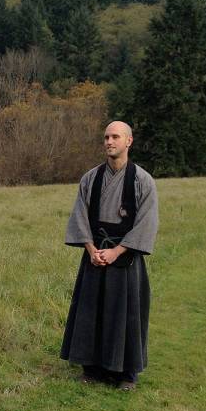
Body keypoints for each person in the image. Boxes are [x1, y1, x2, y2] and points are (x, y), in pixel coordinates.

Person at [60, 120, 159, 391]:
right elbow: (80, 216)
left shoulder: (142, 181)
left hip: (125, 257)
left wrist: (117, 251)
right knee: (91, 310)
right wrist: (91, 250)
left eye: (116, 136)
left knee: (125, 314)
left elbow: (146, 222)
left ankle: (127, 373)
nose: (109, 142)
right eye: (106, 137)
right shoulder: (90, 178)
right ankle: (91, 368)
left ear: (129, 141)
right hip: (95, 255)